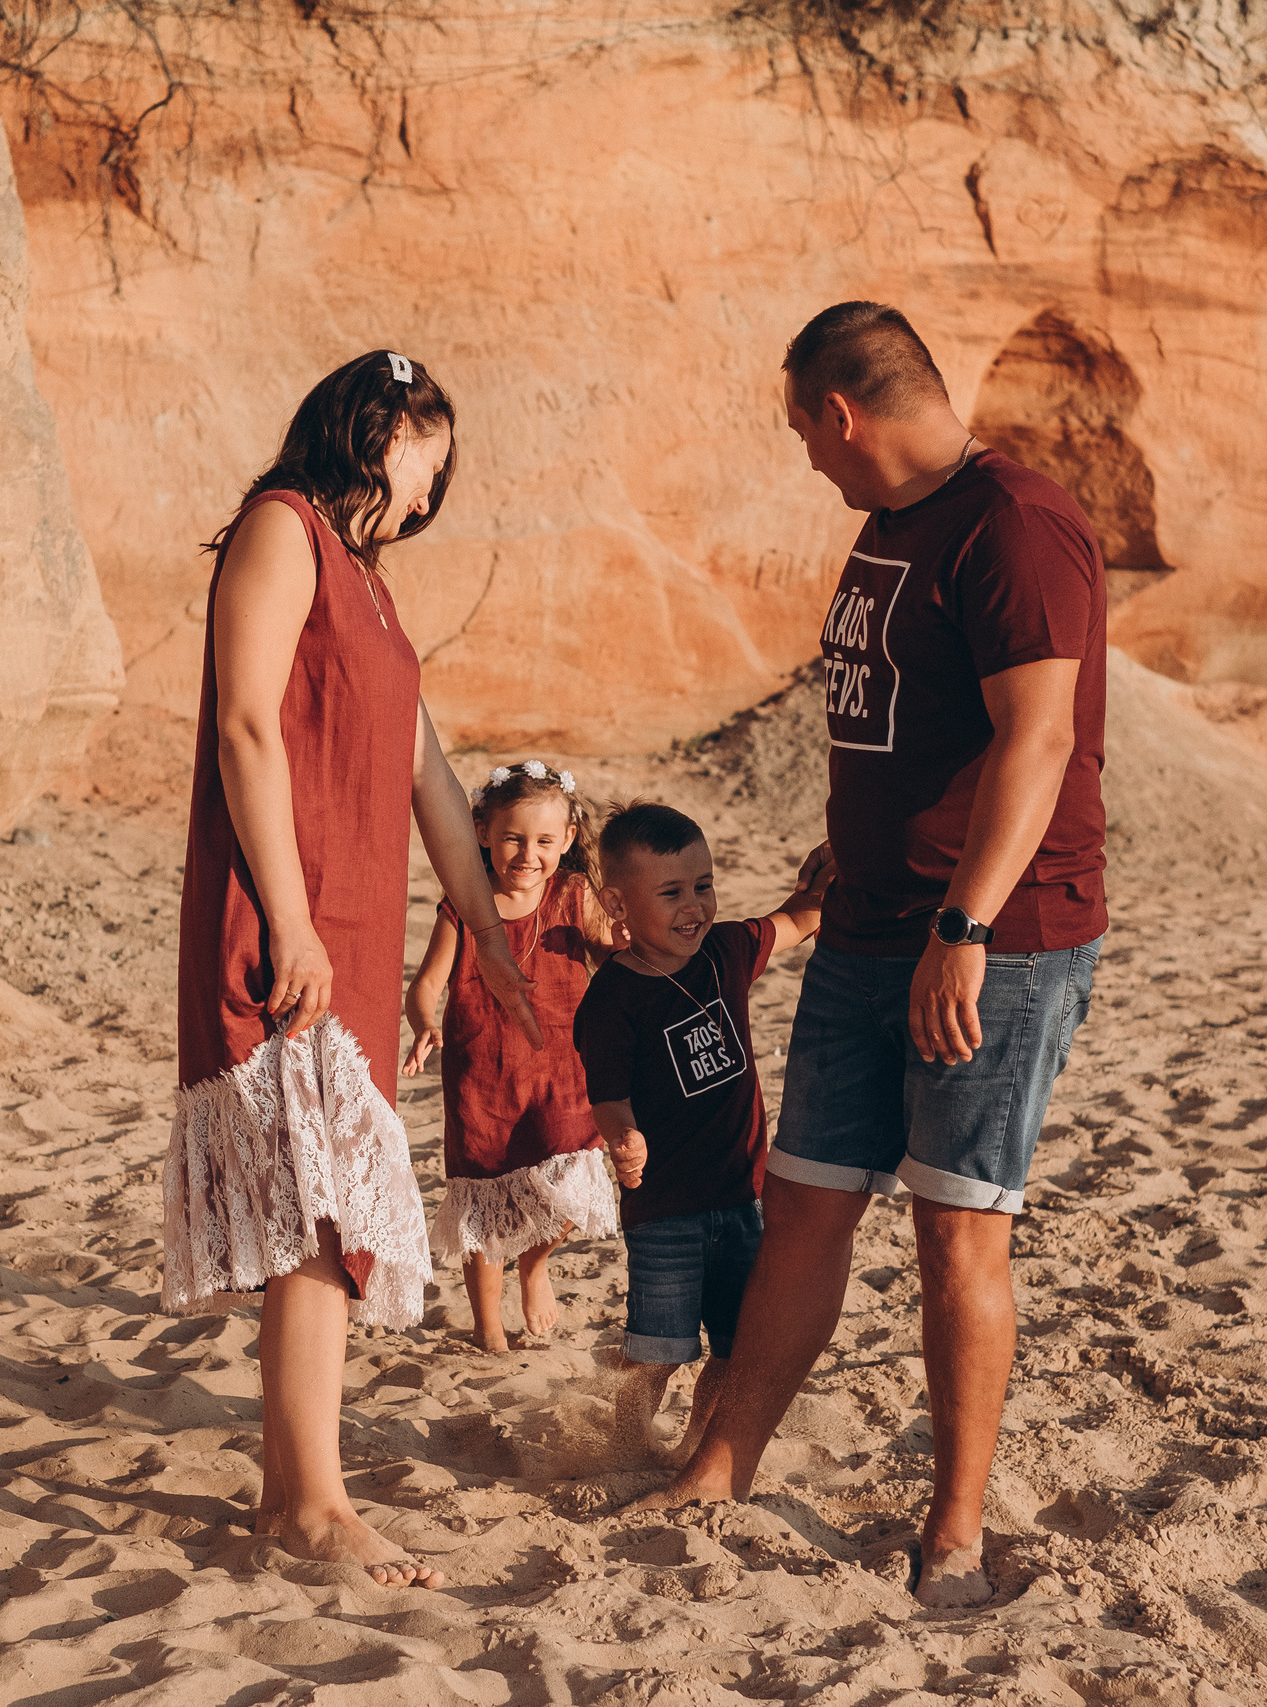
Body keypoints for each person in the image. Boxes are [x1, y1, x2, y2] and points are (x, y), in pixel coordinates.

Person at [635, 302, 1108, 1608]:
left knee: (960, 1232)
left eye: (803, 431)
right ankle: (723, 1463)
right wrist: (847, 855)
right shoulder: (892, 527)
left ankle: (952, 1530)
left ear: (840, 414)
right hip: (864, 931)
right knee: (807, 1202)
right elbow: (910, 723)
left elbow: (1039, 742)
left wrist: (962, 928)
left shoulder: (1015, 526)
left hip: (993, 944)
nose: (806, 459)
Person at [168, 349, 543, 1588]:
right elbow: (242, 724)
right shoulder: (280, 530)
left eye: (440, 450)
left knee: (328, 1203)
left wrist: (487, 932)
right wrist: (288, 917)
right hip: (292, 909)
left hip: (357, 925)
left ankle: (302, 1492)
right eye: (414, 441)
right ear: (358, 431)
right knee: (309, 1203)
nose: (430, 473)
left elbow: (430, 771)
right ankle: (304, 1504)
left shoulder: (370, 579)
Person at [573, 802, 830, 1464]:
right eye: (670, 892)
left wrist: (825, 880)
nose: (693, 906)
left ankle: (697, 1445)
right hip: (665, 1213)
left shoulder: (726, 951)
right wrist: (623, 1136)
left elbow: (799, 918)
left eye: (703, 885)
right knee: (659, 1350)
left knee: (741, 1347)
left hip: (742, 1196)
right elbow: (608, 1099)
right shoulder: (612, 1000)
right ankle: (625, 1441)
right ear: (618, 904)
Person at [402, 760, 619, 1354]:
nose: (529, 854)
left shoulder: (575, 897)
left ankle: (536, 1265)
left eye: (546, 841)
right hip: (482, 1073)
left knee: (573, 1179)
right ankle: (488, 1327)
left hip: (564, 1070)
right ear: (481, 834)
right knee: (484, 1201)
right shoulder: (464, 904)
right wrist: (424, 1022)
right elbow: (425, 985)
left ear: (568, 840)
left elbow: (617, 957)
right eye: (514, 838)